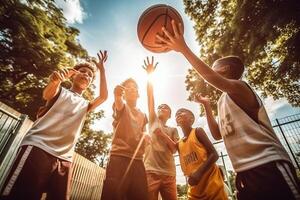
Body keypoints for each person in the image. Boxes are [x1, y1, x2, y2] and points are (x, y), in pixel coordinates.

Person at [156, 22, 300, 200]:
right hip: (243, 172)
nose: (212, 69)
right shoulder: (222, 100)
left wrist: (184, 49)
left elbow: (215, 80)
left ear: (225, 69)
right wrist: (207, 105)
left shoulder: (241, 88)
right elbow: (217, 135)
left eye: (214, 66)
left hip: (268, 165)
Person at [1, 50, 108, 200]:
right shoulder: (60, 90)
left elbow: (103, 96)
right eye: (83, 71)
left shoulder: (86, 105)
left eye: (90, 75)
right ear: (73, 74)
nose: (86, 75)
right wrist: (55, 81)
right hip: (39, 147)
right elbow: (47, 94)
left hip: (65, 158)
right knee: (21, 195)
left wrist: (101, 69)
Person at [101, 78, 149, 200]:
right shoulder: (121, 106)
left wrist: (146, 135)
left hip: (138, 160)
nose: (132, 88)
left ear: (138, 93)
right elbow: (118, 103)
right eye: (128, 87)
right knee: (113, 195)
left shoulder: (143, 115)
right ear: (123, 92)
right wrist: (117, 95)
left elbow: (144, 130)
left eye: (134, 87)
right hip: (119, 157)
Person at [142, 56, 179, 200]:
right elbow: (150, 96)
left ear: (169, 114)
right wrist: (149, 74)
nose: (161, 107)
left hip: (169, 173)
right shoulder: (153, 121)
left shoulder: (173, 130)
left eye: (165, 107)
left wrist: (162, 135)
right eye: (160, 107)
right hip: (151, 170)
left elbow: (175, 149)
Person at [174, 107, 227, 200]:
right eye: (176, 113)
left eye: (182, 112)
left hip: (212, 184)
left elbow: (214, 154)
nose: (178, 113)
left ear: (191, 119)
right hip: (195, 189)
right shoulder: (179, 143)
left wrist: (198, 173)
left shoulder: (197, 131)